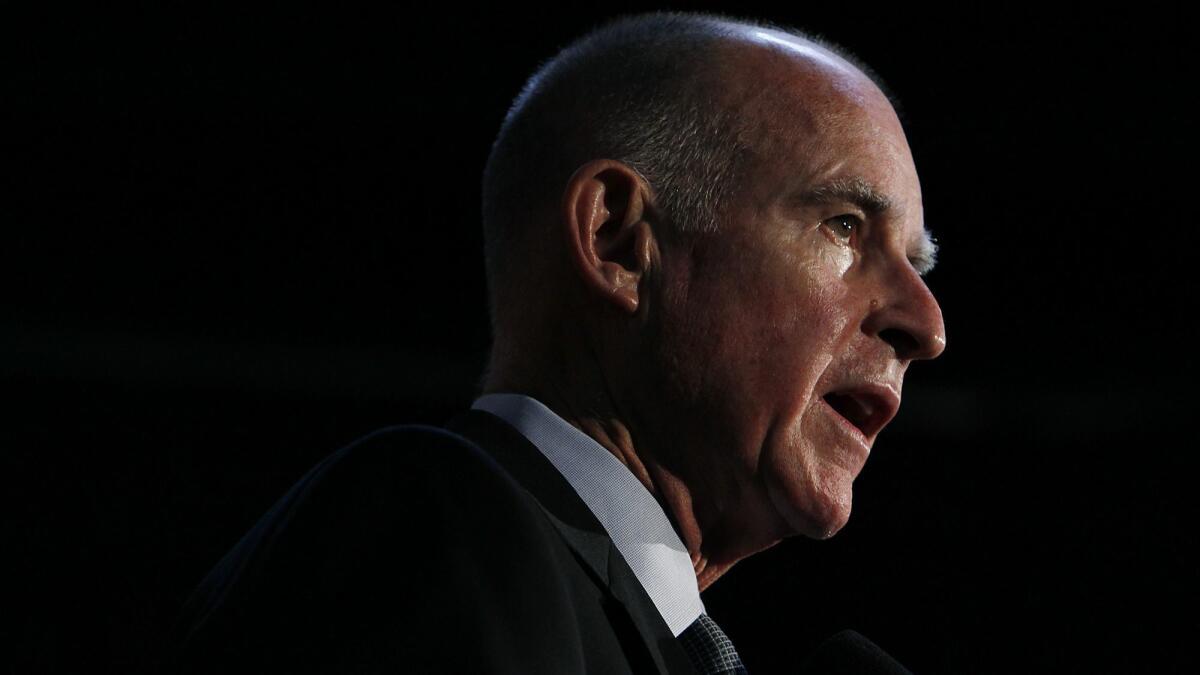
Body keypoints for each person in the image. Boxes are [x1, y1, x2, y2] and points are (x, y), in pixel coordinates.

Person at [171, 11, 945, 674]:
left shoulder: (621, 623)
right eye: (845, 226)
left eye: (914, 263)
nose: (927, 324)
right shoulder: (439, 525)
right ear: (615, 240)